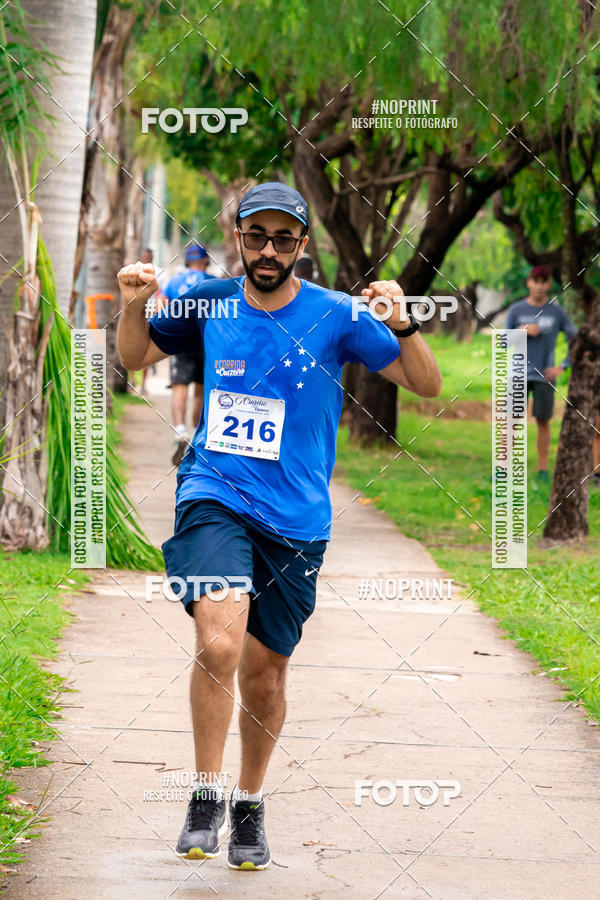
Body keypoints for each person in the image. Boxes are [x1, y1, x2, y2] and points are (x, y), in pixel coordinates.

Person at [116, 182, 441, 870]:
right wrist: (131, 303)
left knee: (265, 677)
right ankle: (204, 792)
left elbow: (426, 384)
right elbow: (134, 356)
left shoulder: (334, 315)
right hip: (213, 495)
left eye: (282, 239)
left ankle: (250, 804)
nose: (268, 250)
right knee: (219, 641)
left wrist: (405, 323)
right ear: (238, 236)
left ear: (299, 245)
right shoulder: (209, 301)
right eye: (256, 235)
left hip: (296, 520)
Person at [505, 265, 578, 480]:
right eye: (535, 280)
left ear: (548, 284)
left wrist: (563, 366)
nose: (539, 285)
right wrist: (521, 331)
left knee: (543, 421)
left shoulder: (556, 312)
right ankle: (502, 470)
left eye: (543, 281)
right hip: (518, 374)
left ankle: (543, 470)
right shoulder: (516, 310)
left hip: (545, 376)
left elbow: (576, 339)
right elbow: (501, 342)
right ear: (529, 283)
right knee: (511, 421)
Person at [163, 243, 214, 465]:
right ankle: (196, 435)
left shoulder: (174, 282)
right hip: (205, 343)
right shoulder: (213, 283)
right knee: (200, 391)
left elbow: (162, 310)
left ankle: (179, 432)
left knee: (179, 387)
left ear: (187, 260)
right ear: (205, 261)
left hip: (181, 341)